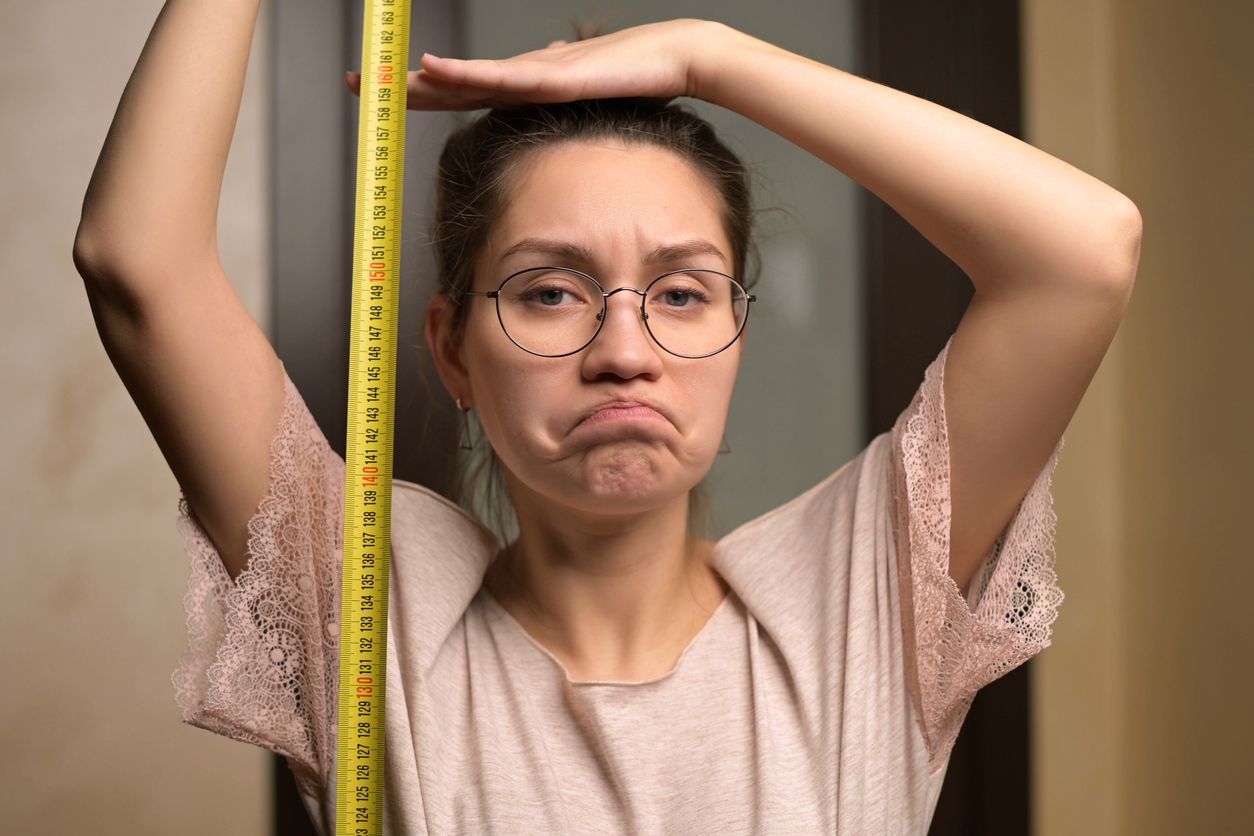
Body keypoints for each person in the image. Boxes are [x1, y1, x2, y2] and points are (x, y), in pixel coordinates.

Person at [73, 5, 1141, 834]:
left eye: (682, 293)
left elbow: (1083, 250)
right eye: (549, 291)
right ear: (450, 350)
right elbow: (137, 259)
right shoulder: (365, 599)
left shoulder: (860, 597)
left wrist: (708, 55)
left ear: (736, 336)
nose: (624, 351)